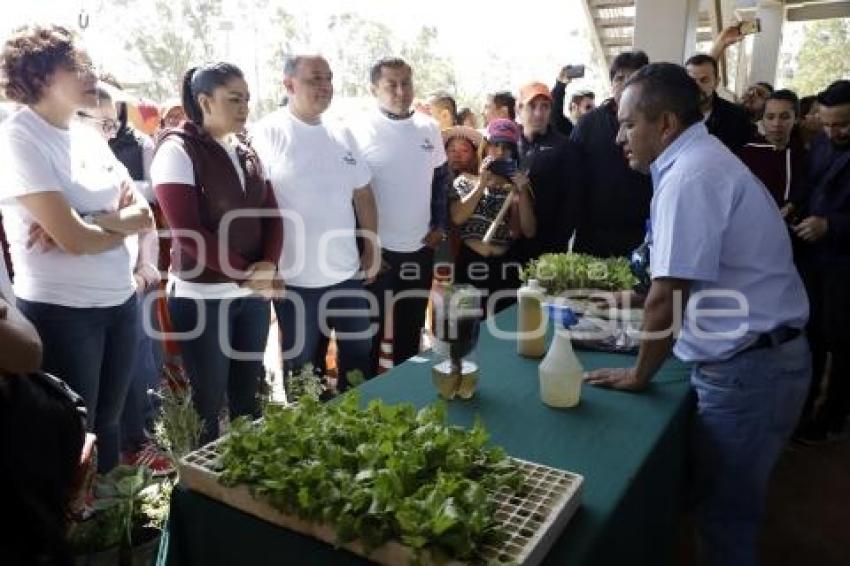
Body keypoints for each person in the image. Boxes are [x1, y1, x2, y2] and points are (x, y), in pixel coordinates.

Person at [585, 63, 810, 566]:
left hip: (750, 372)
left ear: (664, 124)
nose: (619, 136)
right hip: (756, 363)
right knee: (719, 510)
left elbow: (670, 293)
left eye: (628, 123)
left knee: (725, 521)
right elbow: (696, 277)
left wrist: (639, 374)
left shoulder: (692, 174)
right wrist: (635, 300)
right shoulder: (696, 161)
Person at [0, 25, 154, 472]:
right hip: (63, 313)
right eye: (77, 66)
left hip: (120, 302)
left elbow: (143, 215)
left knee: (107, 421)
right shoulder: (18, 139)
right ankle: (75, 530)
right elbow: (73, 240)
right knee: (71, 430)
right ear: (40, 74)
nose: (92, 74)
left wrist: (86, 222)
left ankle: (105, 514)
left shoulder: (86, 134)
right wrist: (88, 227)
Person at [151, 62, 283, 443]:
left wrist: (268, 265)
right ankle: (201, 485)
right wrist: (246, 272)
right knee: (206, 402)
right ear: (205, 101)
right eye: (234, 99)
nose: (244, 108)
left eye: (247, 99)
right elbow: (188, 232)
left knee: (248, 394)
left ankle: (246, 477)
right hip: (203, 298)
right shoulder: (177, 150)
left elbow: (272, 213)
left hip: (251, 296)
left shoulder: (246, 148)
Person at [251, 55, 379, 390]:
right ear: (289, 84)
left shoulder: (343, 132)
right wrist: (266, 264)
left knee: (359, 353)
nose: (325, 87)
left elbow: (363, 193)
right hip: (294, 279)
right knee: (303, 367)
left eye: (328, 79)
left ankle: (358, 426)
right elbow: (253, 204)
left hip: (347, 273)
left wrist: (371, 244)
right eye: (315, 79)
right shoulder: (266, 133)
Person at [77, 87, 167, 470]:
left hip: (132, 287)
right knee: (97, 390)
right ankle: (104, 469)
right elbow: (67, 236)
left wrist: (146, 268)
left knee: (142, 370)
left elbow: (146, 221)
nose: (113, 135)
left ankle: (140, 441)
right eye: (105, 124)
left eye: (116, 124)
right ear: (76, 117)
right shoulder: (62, 170)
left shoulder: (114, 165)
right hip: (82, 299)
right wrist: (109, 224)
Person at [349, 57, 449, 370]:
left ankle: (409, 398)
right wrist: (365, 245)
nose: (400, 91)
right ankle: (366, 403)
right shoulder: (357, 129)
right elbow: (350, 192)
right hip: (377, 253)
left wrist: (440, 225)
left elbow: (441, 181)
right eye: (391, 84)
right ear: (373, 89)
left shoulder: (429, 128)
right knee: (370, 335)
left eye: (405, 83)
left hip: (419, 249)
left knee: (411, 329)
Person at [793, 79, 850, 443]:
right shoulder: (821, 145)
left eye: (843, 124)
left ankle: (832, 418)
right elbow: (811, 187)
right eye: (826, 124)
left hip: (845, 267)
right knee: (811, 340)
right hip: (814, 263)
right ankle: (802, 412)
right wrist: (795, 206)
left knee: (842, 347)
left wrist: (832, 225)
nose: (834, 132)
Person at [571, 50, 653, 258]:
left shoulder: (654, 123)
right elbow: (572, 174)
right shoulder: (588, 123)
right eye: (619, 78)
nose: (625, 83)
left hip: (639, 235)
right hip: (592, 234)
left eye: (633, 77)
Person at [450, 118, 536, 312]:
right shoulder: (464, 180)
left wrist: (522, 192)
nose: (499, 153)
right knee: (464, 328)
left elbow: (529, 230)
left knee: (501, 329)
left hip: (504, 269)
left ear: (514, 152)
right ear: (485, 148)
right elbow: (457, 217)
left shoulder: (518, 189)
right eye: (494, 145)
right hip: (470, 266)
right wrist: (481, 183)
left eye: (506, 147)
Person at [513, 81, 582, 263]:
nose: (538, 113)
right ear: (519, 108)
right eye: (532, 106)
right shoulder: (509, 145)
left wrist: (558, 245)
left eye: (544, 107)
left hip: (549, 246)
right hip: (509, 246)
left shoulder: (565, 147)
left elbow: (573, 200)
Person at [737, 89, 808, 208]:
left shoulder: (805, 156)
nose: (776, 123)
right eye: (770, 117)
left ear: (796, 118)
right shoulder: (745, 155)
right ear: (762, 119)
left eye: (784, 117)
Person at [685, 53, 756, 151]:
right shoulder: (674, 115)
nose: (697, 86)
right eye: (692, 81)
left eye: (704, 80)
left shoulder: (736, 116)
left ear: (716, 82)